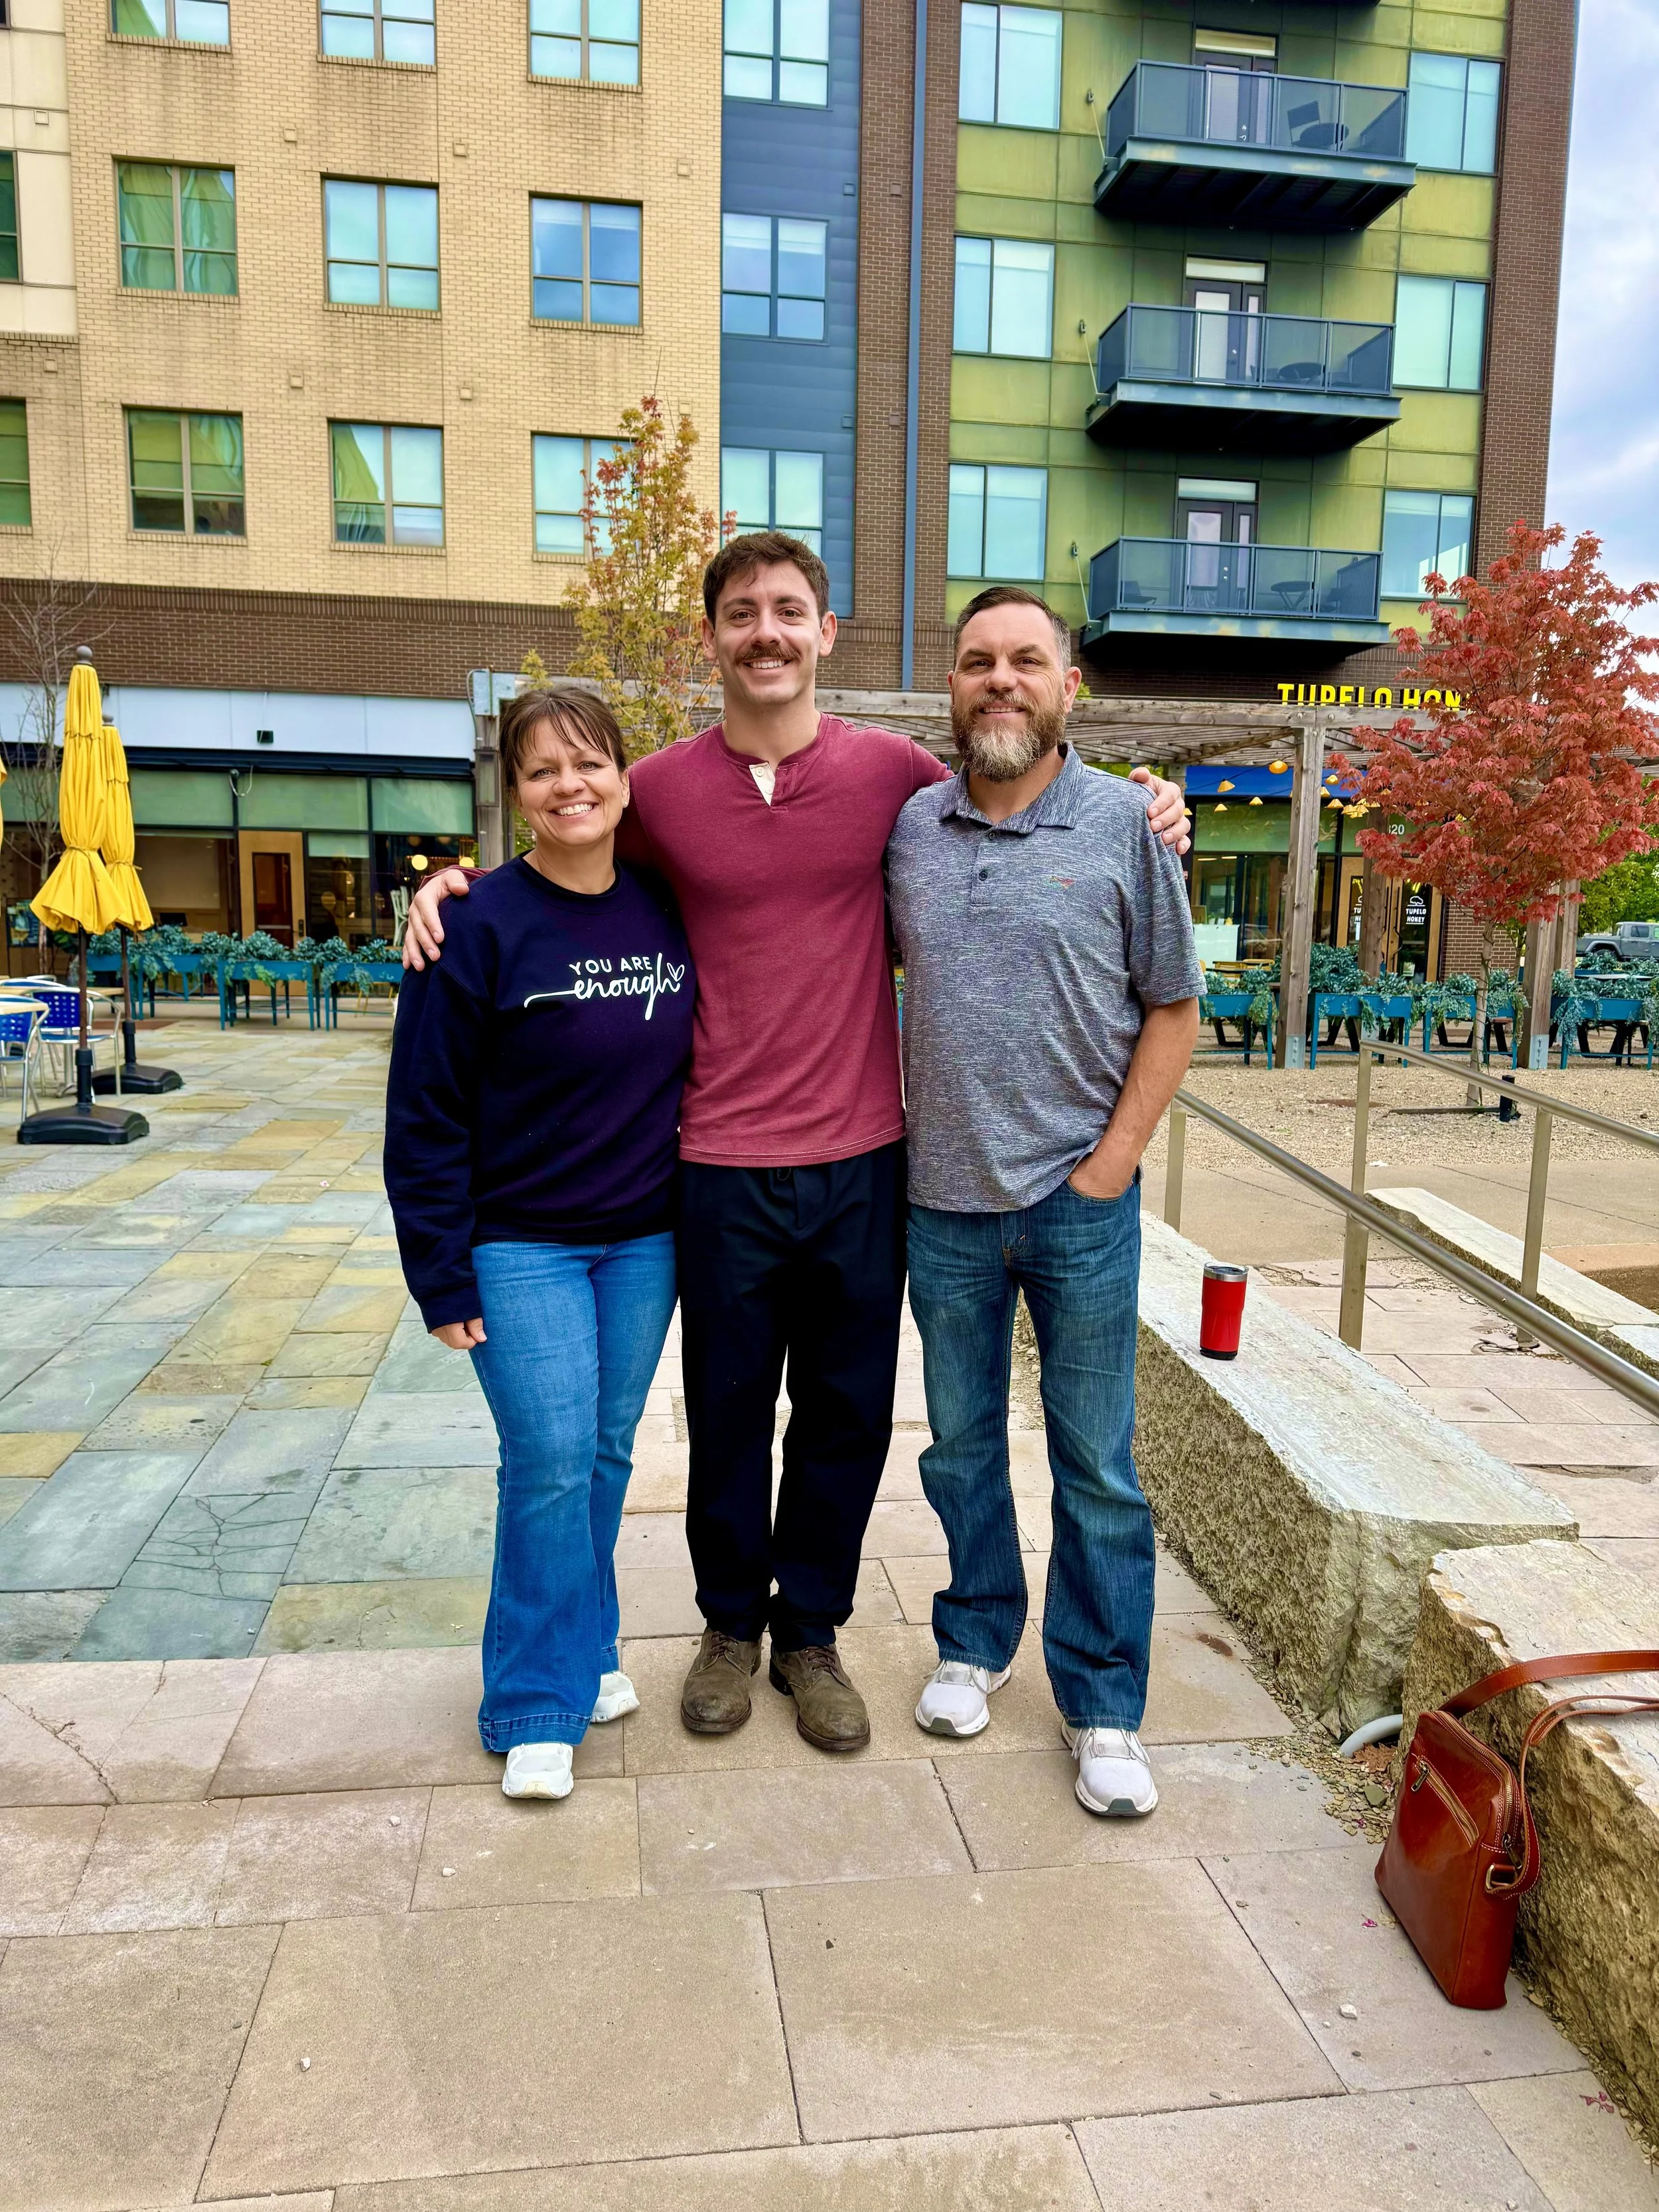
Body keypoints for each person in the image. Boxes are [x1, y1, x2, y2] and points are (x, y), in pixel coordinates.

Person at [402, 533, 1189, 1755]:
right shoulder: (656, 788)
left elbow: (1023, 791)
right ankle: (728, 1625)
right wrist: (457, 880)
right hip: (712, 1164)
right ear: (710, 638)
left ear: (826, 635)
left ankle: (809, 1633)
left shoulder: (899, 784)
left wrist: (1150, 811)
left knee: (846, 1417)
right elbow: (571, 851)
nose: (764, 632)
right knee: (725, 1416)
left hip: (869, 1160)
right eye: (740, 614)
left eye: (788, 612)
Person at [888, 585, 1201, 1818]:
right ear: (952, 689)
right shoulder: (910, 827)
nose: (1000, 680)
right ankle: (974, 1640)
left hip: (1082, 1205)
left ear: (1071, 687)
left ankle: (1105, 1703)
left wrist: (1113, 1162)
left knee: (1097, 1464)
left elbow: (1174, 1009)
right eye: (977, 663)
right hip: (942, 1204)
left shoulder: (1129, 824)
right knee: (961, 1448)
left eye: (1027, 661)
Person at [384, 687, 693, 1801]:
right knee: (550, 1460)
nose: (571, 785)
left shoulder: (667, 905)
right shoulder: (473, 922)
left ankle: (591, 1647)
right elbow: (422, 1111)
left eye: (591, 763)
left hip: (644, 1240)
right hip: (522, 1245)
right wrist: (439, 1268)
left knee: (606, 1457)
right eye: (543, 770)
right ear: (513, 795)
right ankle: (529, 1700)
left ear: (625, 777)